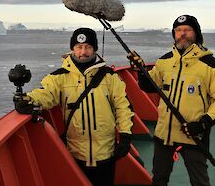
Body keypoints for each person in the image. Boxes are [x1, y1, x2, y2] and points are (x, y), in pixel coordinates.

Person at [14, 27, 134, 186]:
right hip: (76, 154)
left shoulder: (109, 77)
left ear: (94, 49)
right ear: (72, 49)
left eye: (88, 47)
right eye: (79, 47)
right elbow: (45, 94)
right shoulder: (59, 77)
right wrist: (27, 100)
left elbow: (123, 106)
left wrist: (125, 135)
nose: (83, 52)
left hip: (106, 153)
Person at [132, 15, 215, 186]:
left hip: (193, 135)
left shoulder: (210, 64)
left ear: (196, 33)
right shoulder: (165, 60)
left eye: (187, 30)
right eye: (178, 30)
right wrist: (140, 71)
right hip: (164, 134)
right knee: (159, 180)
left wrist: (203, 123)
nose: (182, 34)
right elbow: (150, 86)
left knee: (199, 181)